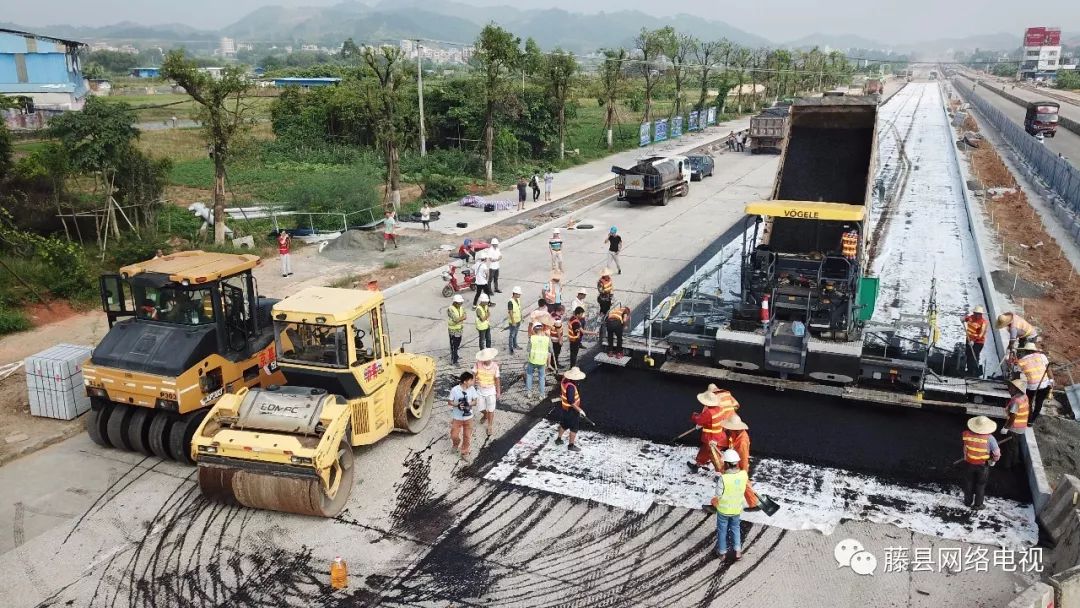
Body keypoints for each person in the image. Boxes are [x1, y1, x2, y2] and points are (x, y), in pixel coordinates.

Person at [711, 449, 747, 560]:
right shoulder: (744, 475)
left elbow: (718, 494)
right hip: (736, 510)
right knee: (736, 529)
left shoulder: (723, 478)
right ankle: (738, 552)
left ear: (726, 463)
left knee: (722, 531)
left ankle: (722, 553)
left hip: (724, 510)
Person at [961, 415, 1000, 510]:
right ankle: (978, 505)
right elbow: (996, 454)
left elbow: (965, 448)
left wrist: (966, 457)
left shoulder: (966, 434)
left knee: (969, 482)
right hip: (982, 466)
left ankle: (967, 502)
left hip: (969, 463)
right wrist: (993, 461)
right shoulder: (990, 438)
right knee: (980, 485)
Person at [721, 414, 759, 510]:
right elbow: (730, 442)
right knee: (743, 483)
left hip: (737, 464)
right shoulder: (736, 433)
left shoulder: (742, 442)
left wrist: (743, 471)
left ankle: (717, 504)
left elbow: (743, 457)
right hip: (733, 461)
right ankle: (754, 503)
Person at [687, 391, 725, 472]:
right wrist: (706, 423)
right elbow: (713, 420)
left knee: (715, 458)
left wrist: (694, 415)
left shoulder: (709, 412)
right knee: (704, 451)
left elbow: (699, 420)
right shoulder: (720, 408)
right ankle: (697, 465)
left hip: (710, 438)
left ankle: (723, 474)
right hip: (718, 435)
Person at [1017, 344, 1053, 422]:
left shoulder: (1021, 361)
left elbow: (1019, 375)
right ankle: (1032, 420)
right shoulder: (1042, 356)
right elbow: (1048, 369)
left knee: (1029, 403)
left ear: (1026, 351)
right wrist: (1051, 380)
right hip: (1044, 383)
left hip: (1031, 386)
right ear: (1034, 350)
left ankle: (1028, 419)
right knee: (1039, 402)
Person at [555, 367, 587, 452]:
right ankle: (571, 445)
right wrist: (580, 410)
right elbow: (571, 401)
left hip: (565, 408)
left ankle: (558, 439)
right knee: (574, 428)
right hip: (571, 410)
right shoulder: (571, 387)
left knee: (564, 424)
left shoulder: (564, 380)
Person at [448, 372, 478, 461]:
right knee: (454, 435)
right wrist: (457, 405)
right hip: (457, 417)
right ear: (465, 381)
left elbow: (475, 401)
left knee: (467, 436)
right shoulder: (455, 390)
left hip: (469, 418)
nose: (472, 382)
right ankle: (456, 443)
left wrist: (468, 404)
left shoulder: (472, 389)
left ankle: (465, 452)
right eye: (471, 380)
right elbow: (450, 402)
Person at [1001, 379, 1030, 468]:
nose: (1009, 389)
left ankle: (1007, 466)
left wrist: (1006, 428)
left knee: (1010, 448)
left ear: (1016, 389)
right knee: (1015, 446)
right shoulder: (1024, 396)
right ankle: (1015, 462)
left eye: (1011, 387)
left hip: (1014, 428)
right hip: (1021, 427)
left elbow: (1013, 416)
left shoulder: (1016, 401)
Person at [473, 348, 501, 436]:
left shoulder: (495, 366)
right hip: (480, 390)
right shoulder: (477, 364)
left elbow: (497, 380)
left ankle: (489, 426)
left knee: (491, 409)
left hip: (491, 391)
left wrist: (498, 391)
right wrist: (472, 388)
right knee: (480, 408)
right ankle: (485, 415)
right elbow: (473, 375)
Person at [525, 322, 551, 398]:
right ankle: (541, 394)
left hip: (532, 361)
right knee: (542, 378)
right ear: (542, 329)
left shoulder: (532, 338)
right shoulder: (547, 339)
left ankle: (529, 393)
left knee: (529, 375)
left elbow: (528, 349)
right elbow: (551, 351)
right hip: (542, 362)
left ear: (534, 330)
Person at [964, 305, 989, 377]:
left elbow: (981, 334)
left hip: (978, 342)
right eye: (976, 313)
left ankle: (974, 371)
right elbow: (966, 318)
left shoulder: (983, 323)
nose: (977, 315)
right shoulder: (971, 317)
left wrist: (973, 341)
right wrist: (963, 318)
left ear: (981, 314)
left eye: (979, 314)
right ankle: (969, 370)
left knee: (974, 355)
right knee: (968, 354)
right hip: (968, 339)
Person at [447, 295, 467, 365]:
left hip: (459, 329)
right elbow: (455, 320)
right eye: (459, 303)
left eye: (461, 302)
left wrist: (460, 319)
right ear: (455, 302)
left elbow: (465, 316)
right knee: (453, 346)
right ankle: (454, 360)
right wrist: (461, 318)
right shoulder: (450, 309)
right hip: (453, 330)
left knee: (457, 344)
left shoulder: (461, 307)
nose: (461, 304)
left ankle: (456, 355)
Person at [596, 268, 614, 343]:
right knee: (603, 312)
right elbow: (600, 290)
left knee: (607, 311)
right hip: (603, 299)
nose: (608, 276)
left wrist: (611, 295)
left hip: (608, 298)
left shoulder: (609, 279)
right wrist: (607, 291)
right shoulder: (600, 282)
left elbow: (612, 287)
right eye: (606, 275)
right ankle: (599, 327)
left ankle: (606, 323)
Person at [507, 286, 523, 355]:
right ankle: (511, 349)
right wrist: (513, 321)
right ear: (515, 293)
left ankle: (515, 345)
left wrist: (521, 317)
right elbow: (510, 312)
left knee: (515, 334)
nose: (520, 295)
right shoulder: (510, 302)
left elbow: (519, 309)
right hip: (513, 322)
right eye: (519, 294)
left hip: (518, 320)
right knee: (512, 335)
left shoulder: (518, 300)